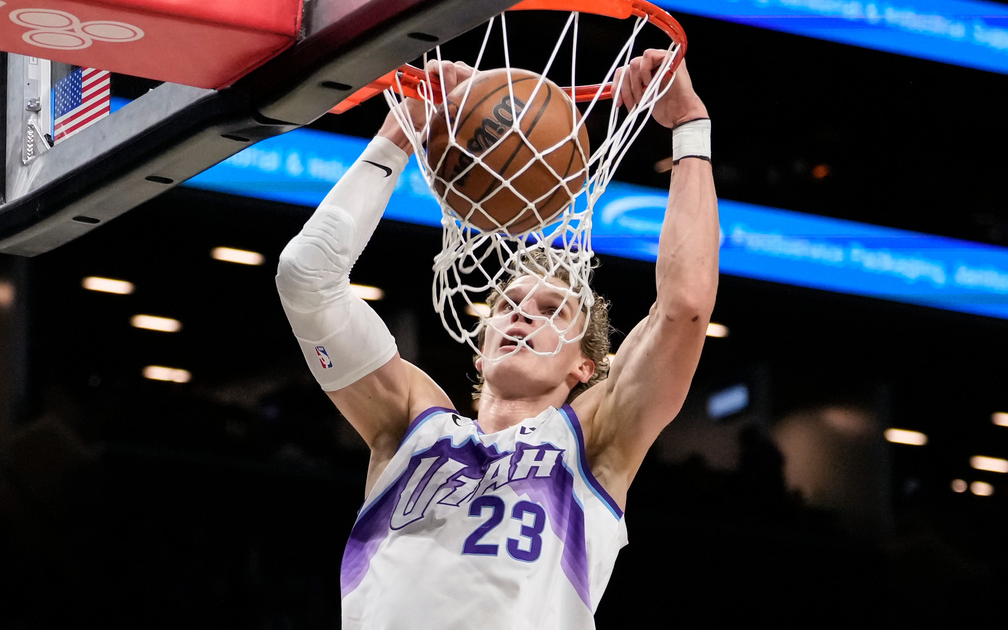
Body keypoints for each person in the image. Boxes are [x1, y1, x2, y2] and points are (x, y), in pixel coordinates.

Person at [276, 48, 719, 629]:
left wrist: (690, 129)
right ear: (480, 345)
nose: (519, 316)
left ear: (584, 367)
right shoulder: (411, 420)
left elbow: (683, 307)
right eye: (507, 304)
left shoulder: (593, 441)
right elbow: (307, 276)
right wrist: (401, 131)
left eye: (550, 310)